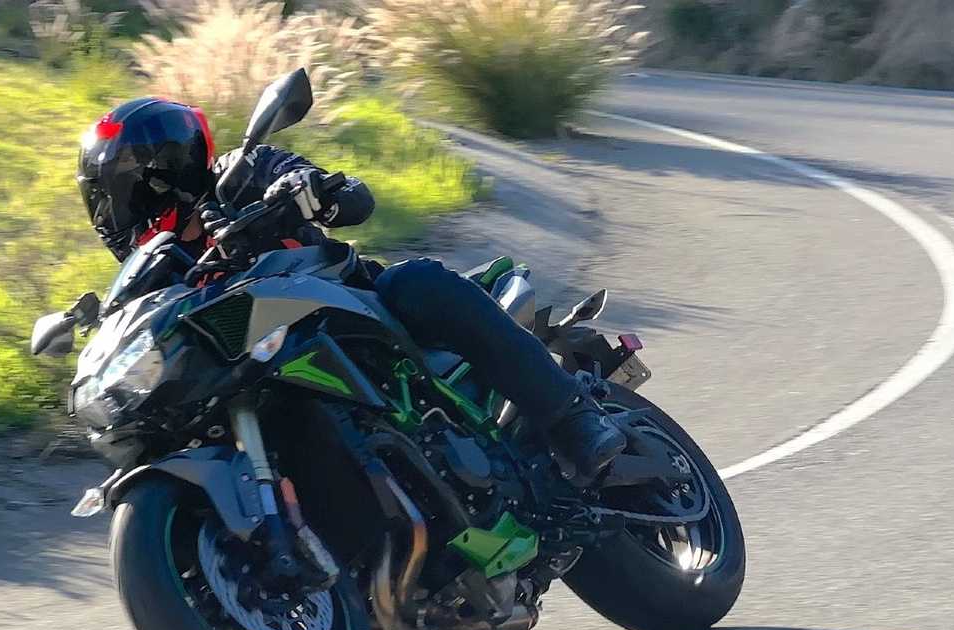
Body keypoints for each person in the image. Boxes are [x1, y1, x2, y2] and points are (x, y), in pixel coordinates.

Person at [76, 97, 624, 483]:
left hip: (353, 313)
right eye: (103, 194)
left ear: (164, 171)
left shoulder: (243, 174)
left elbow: (355, 199)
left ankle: (573, 417)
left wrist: (312, 190)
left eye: (121, 187)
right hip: (265, 367)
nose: (114, 206)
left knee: (417, 282)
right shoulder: (157, 274)